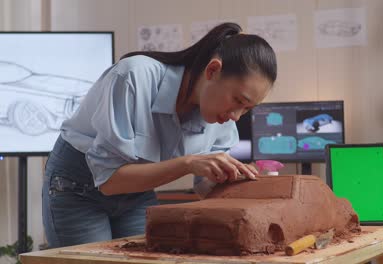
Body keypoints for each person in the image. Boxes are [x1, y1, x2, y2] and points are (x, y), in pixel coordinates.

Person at [42, 22, 277, 248]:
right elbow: (108, 181)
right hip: (78, 188)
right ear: (213, 70)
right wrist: (189, 163)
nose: (237, 116)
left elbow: (203, 187)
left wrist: (229, 179)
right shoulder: (134, 76)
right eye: (239, 101)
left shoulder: (221, 116)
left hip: (136, 193)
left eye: (247, 108)